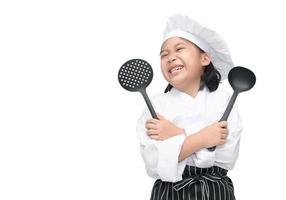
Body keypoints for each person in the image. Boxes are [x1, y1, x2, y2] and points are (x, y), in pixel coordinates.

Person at [136, 14, 243, 200]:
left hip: (216, 192)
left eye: (180, 49)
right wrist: (203, 139)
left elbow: (226, 158)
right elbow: (154, 162)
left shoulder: (224, 100)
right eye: (164, 54)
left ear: (205, 59)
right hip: (169, 193)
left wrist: (174, 135)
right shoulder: (156, 104)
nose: (170, 58)